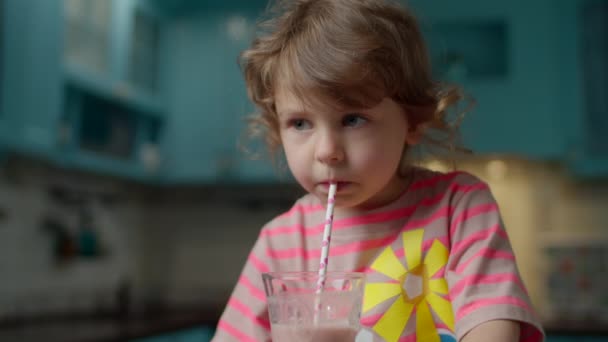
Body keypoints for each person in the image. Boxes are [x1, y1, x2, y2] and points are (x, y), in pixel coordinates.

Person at [212, 0, 544, 341]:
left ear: (413, 121)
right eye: (300, 123)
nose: (326, 152)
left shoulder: (458, 210)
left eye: (353, 119)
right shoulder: (279, 245)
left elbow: (492, 328)